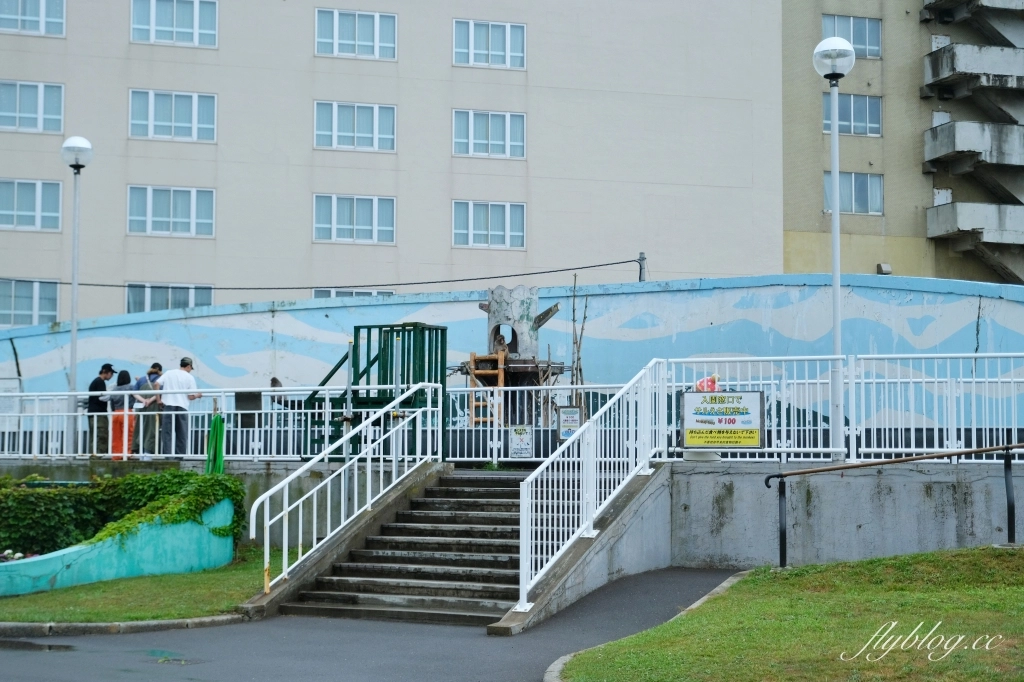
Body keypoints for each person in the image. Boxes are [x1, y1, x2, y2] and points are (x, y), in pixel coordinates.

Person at [156, 357, 202, 456]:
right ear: (189, 366)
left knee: (167, 433)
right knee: (181, 433)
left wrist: (158, 400)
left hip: (168, 406)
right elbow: (190, 396)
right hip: (182, 407)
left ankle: (168, 456)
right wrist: (198, 395)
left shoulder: (169, 373)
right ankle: (179, 456)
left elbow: (156, 384)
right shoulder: (189, 377)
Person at [131, 363, 162, 458]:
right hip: (154, 408)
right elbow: (161, 392)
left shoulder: (141, 379)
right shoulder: (161, 379)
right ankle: (148, 456)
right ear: (160, 370)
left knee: (140, 429)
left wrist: (144, 400)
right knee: (151, 430)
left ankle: (140, 454)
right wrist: (150, 400)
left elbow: (134, 392)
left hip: (141, 408)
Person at [87, 363, 115, 455]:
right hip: (98, 413)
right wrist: (112, 394)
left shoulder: (96, 381)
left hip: (93, 413)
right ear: (105, 372)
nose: (111, 376)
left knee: (94, 436)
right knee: (101, 435)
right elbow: (102, 397)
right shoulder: (100, 382)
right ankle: (98, 456)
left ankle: (94, 455)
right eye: (111, 373)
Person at [108, 370, 135, 459]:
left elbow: (111, 403)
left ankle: (116, 455)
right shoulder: (131, 387)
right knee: (128, 434)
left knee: (116, 435)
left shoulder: (114, 389)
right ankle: (127, 453)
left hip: (116, 413)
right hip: (127, 412)